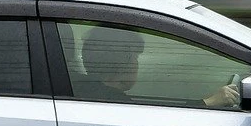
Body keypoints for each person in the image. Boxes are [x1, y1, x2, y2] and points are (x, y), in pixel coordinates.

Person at [75, 25, 241, 108]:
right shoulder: (116, 105)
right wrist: (211, 101)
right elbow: (166, 124)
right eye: (135, 58)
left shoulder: (80, 90)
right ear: (126, 63)